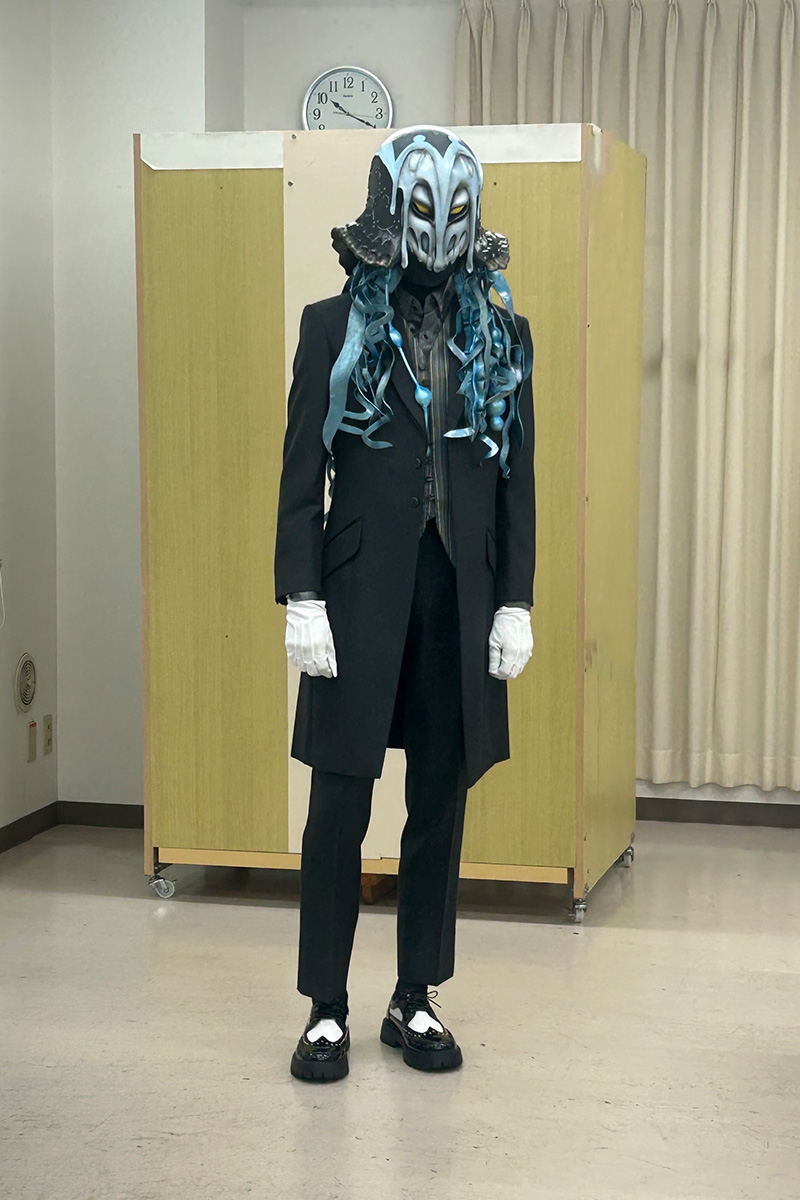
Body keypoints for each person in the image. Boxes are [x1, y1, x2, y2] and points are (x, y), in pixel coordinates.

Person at [274, 126, 536, 1082]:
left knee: (438, 799)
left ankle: (414, 994)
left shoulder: (504, 335)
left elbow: (516, 483)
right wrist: (301, 592)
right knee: (338, 800)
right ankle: (325, 1006)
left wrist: (515, 601)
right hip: (357, 592)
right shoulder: (330, 326)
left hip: (458, 594)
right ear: (391, 212)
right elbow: (300, 474)